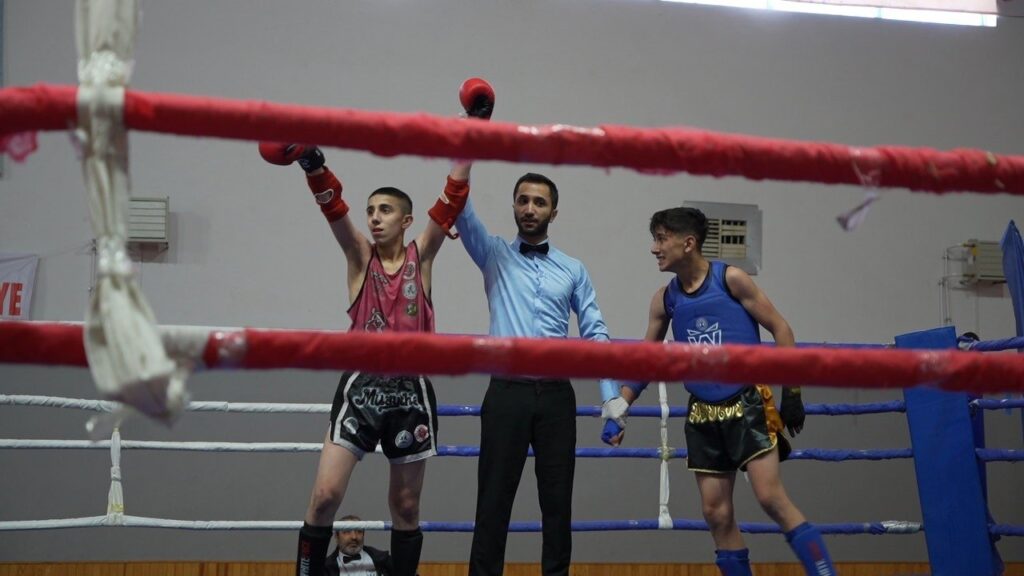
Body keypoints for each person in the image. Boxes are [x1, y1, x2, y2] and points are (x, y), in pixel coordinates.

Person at [259, 77, 494, 576]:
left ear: (407, 220)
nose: (374, 218)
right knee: (324, 496)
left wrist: (475, 130)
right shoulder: (359, 258)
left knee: (406, 509)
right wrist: (312, 163)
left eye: (385, 210)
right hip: (361, 388)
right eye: (371, 210)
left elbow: (452, 195)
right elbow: (333, 210)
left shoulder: (421, 256)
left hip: (411, 391)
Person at [601, 206, 836, 576]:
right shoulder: (664, 299)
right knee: (715, 512)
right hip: (702, 412)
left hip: (747, 403)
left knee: (770, 497)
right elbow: (647, 359)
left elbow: (782, 329)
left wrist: (792, 392)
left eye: (661, 238)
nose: (654, 248)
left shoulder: (732, 279)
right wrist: (621, 405)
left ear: (688, 243)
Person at [451, 119, 617, 575]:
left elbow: (595, 331)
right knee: (492, 506)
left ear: (553, 212)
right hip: (506, 393)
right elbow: (459, 209)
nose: (529, 208)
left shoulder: (574, 268)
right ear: (513, 207)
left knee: (557, 507)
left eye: (539, 202)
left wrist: (610, 398)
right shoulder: (494, 254)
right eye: (522, 200)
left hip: (557, 398)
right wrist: (466, 147)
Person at [326, 515, 398, 576]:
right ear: (337, 536)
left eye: (359, 531)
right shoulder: (326, 568)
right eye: (347, 532)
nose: (354, 537)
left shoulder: (383, 560)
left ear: (363, 535)